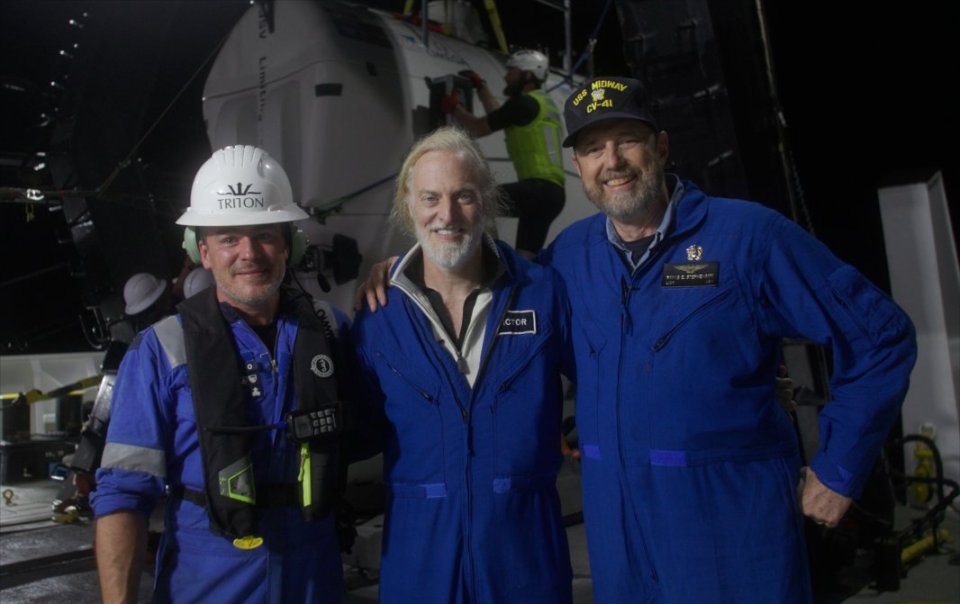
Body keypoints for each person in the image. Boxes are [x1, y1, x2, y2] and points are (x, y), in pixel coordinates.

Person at [358, 77, 918, 603]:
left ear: (663, 147)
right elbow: (495, 291)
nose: (613, 162)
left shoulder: (748, 237)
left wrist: (839, 469)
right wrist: (404, 269)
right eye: (594, 148)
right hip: (620, 535)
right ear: (577, 166)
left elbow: (880, 336)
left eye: (628, 140)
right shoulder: (569, 260)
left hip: (733, 526)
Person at [92, 145, 353, 603]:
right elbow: (123, 496)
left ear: (290, 243)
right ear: (202, 251)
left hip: (314, 580)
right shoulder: (158, 352)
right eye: (229, 238)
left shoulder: (333, 332)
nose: (248, 253)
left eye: (264, 235)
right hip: (207, 582)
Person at [352, 126, 575, 603]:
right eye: (430, 197)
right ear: (408, 207)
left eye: (464, 196)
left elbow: (610, 376)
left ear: (489, 202)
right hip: (418, 553)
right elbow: (359, 432)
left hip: (525, 551)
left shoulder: (543, 293)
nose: (447, 215)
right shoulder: (377, 315)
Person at [443, 49, 565, 258]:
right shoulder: (540, 103)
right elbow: (499, 115)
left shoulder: (524, 103)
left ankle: (492, 261)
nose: (507, 76)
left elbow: (478, 128)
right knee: (526, 260)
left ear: (527, 75)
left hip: (536, 190)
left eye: (513, 72)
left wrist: (454, 108)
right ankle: (520, 283)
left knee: (478, 202)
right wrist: (481, 87)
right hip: (552, 195)